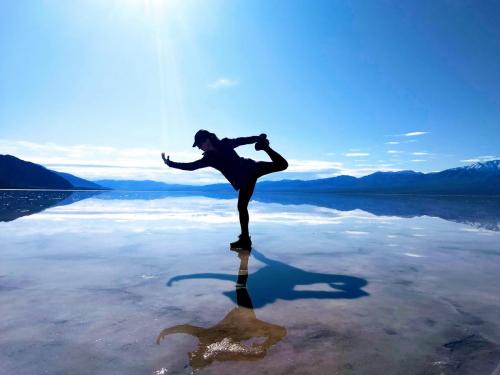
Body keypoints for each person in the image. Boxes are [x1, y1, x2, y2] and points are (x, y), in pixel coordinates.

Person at [161, 130, 288, 249]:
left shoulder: (225, 143)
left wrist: (257, 138)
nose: (199, 147)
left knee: (282, 165)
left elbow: (241, 140)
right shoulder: (209, 158)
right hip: (243, 180)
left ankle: (265, 147)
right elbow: (191, 166)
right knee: (242, 207)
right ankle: (245, 240)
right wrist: (171, 164)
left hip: (250, 168)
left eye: (199, 144)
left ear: (207, 140)